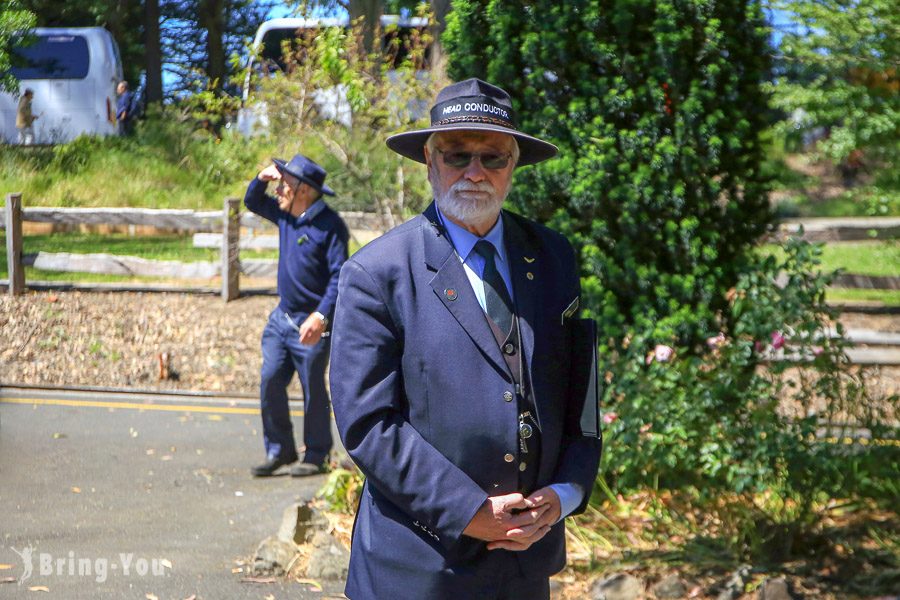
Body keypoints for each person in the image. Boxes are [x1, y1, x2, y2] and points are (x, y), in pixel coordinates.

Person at [330, 78, 603, 599]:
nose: (475, 173)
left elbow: (579, 394)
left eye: (493, 158)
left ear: (513, 166)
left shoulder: (553, 258)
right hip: (418, 568)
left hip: (525, 561)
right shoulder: (378, 272)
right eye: (457, 156)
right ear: (430, 162)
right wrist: (469, 511)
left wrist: (566, 492)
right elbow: (368, 424)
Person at [244, 154, 349, 477]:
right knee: (270, 380)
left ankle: (316, 455)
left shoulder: (331, 227)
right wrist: (262, 178)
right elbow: (252, 201)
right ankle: (280, 450)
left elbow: (339, 277)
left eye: (284, 184)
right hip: (282, 319)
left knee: (313, 387)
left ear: (303, 190)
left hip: (312, 323)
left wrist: (320, 316)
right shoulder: (286, 215)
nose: (278, 190)